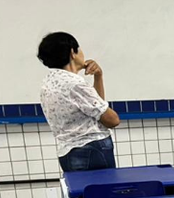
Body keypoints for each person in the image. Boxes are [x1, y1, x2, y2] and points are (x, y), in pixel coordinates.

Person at [37, 32, 120, 172]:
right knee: (103, 193)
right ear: (72, 52)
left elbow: (95, 107)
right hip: (92, 150)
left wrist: (98, 77)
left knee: (84, 193)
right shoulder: (75, 84)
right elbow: (112, 120)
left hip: (67, 152)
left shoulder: (48, 82)